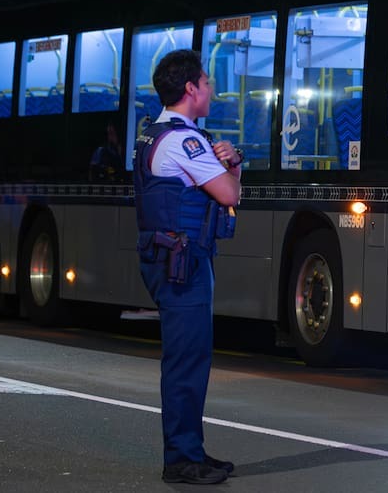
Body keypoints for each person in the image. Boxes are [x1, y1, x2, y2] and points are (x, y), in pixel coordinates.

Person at [132, 49, 243, 485]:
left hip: (172, 257)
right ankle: (180, 460)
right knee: (186, 362)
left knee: (189, 358)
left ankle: (190, 450)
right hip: (183, 262)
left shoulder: (154, 133)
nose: (212, 88)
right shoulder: (185, 141)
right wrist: (233, 163)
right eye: (207, 81)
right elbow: (229, 195)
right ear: (191, 89)